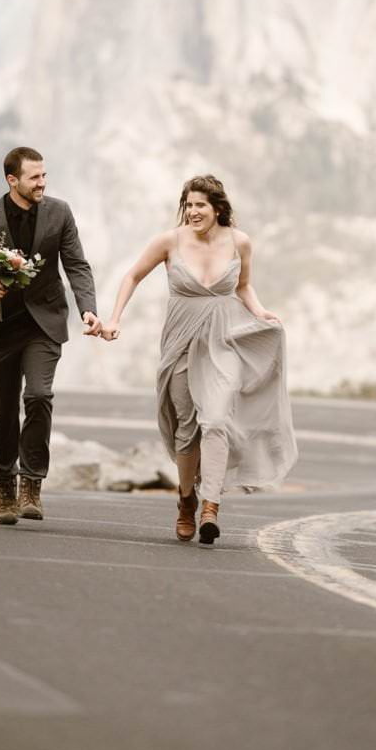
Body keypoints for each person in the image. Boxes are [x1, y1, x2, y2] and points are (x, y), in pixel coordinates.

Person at [101, 175, 297, 544]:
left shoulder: (240, 242)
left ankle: (211, 505)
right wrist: (114, 319)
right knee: (187, 427)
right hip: (180, 341)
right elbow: (132, 276)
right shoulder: (169, 241)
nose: (192, 212)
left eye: (200, 205)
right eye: (188, 205)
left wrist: (260, 310)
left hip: (224, 340)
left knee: (217, 418)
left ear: (218, 208)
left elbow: (242, 285)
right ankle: (186, 499)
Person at [0, 146, 101, 525]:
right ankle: (4, 484)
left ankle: (32, 481)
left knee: (39, 394)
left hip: (45, 322)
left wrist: (88, 308)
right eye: (35, 177)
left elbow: (77, 265)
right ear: (12, 180)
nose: (42, 183)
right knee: (2, 409)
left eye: (44, 175)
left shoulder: (59, 212)